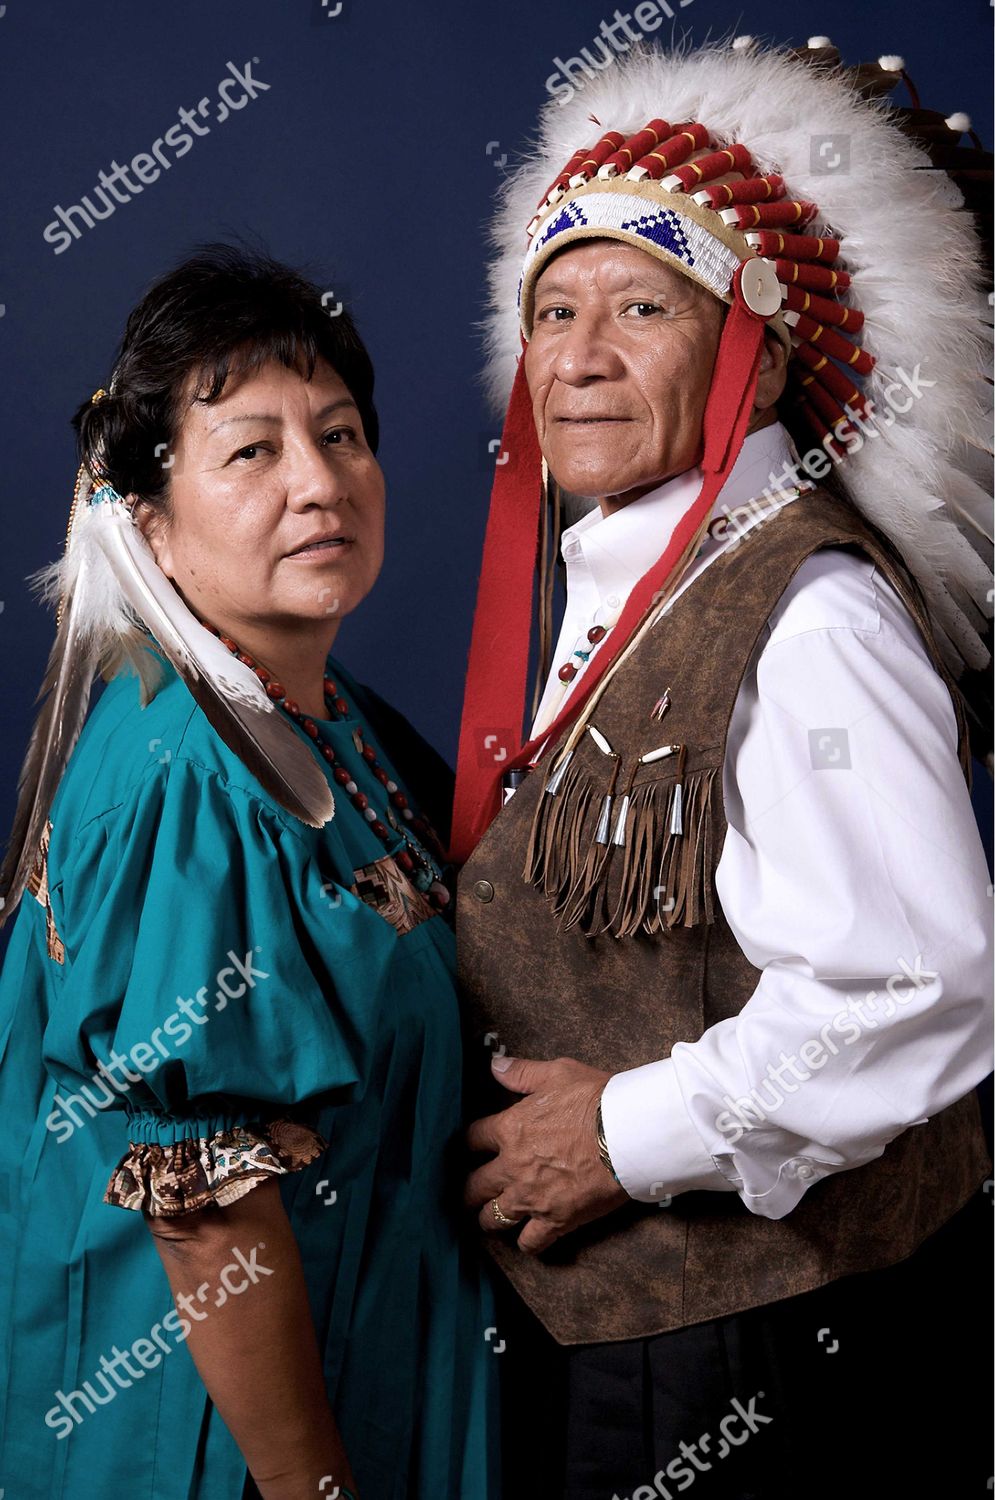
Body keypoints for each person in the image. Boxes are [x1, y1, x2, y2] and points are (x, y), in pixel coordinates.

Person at [451, 38, 993, 1500]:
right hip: (643, 1334)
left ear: (749, 366)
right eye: (552, 311)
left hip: (749, 1347)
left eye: (639, 307)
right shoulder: (646, 578)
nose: (575, 355)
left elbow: (914, 981)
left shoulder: (808, 613)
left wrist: (621, 1134)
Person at [0, 244, 498, 1500]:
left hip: (372, 1353)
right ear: (149, 523)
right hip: (217, 1436)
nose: (319, 483)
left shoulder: (335, 725)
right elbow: (203, 1204)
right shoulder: (190, 773)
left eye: (339, 435)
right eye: (251, 452)